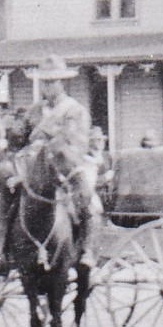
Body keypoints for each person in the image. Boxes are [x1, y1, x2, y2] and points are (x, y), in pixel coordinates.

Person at [23, 55, 97, 259]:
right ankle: (3, 248)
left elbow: (77, 145)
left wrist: (51, 144)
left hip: (68, 164)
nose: (47, 87)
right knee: (8, 192)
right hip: (36, 167)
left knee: (86, 198)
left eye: (52, 82)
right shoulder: (34, 111)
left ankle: (86, 250)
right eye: (44, 82)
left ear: (62, 82)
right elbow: (21, 139)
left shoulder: (74, 110)